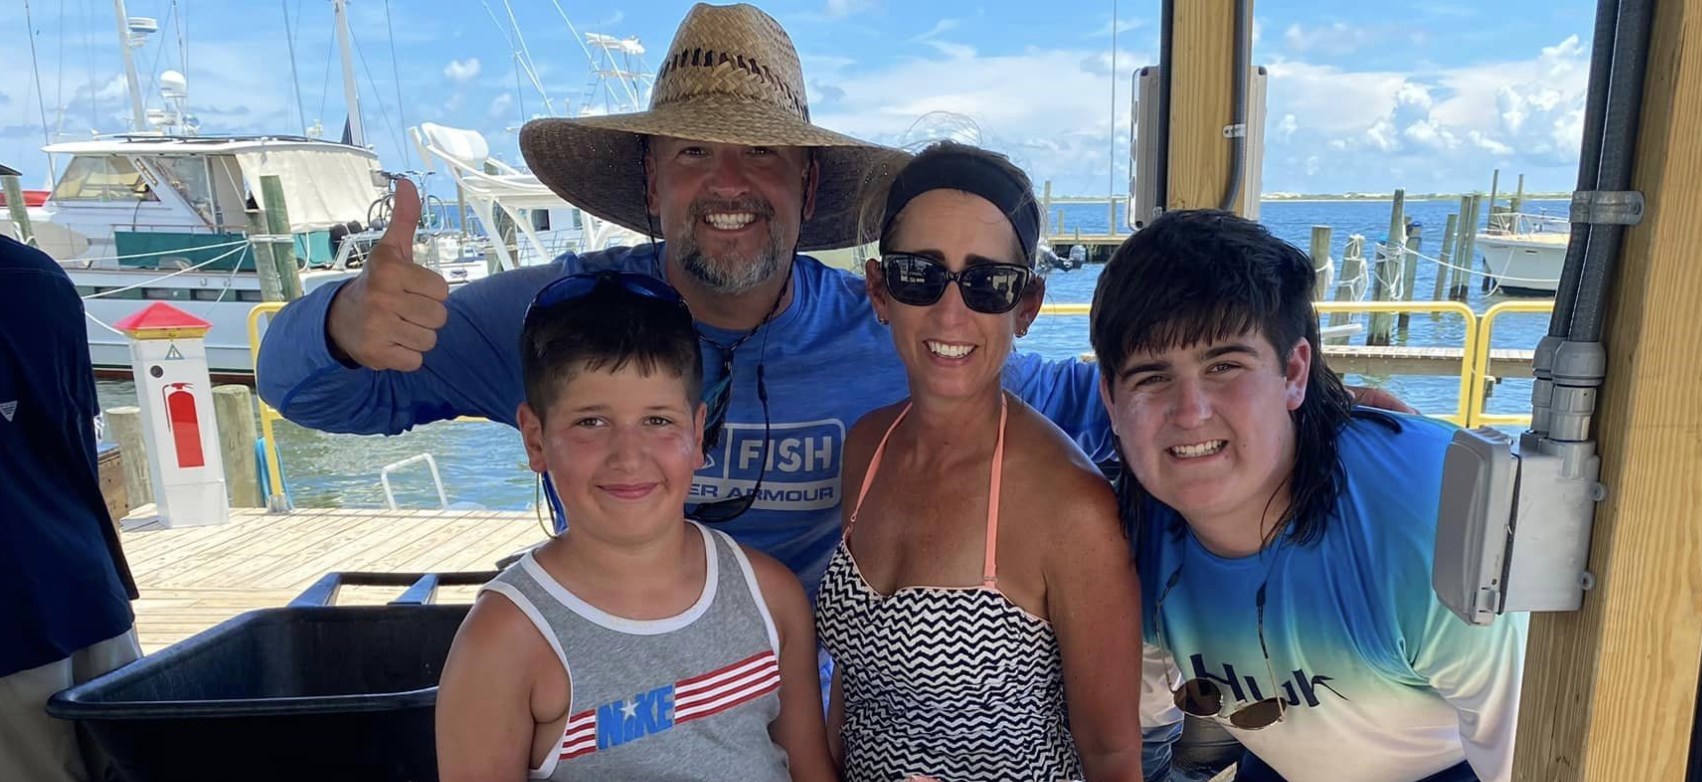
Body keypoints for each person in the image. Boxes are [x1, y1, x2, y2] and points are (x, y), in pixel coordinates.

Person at [254, 2, 1110, 597]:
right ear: (650, 179)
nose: (728, 183)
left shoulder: (889, 324)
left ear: (809, 187)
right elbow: (309, 394)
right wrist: (336, 324)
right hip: (616, 706)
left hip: (808, 729)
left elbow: (1087, 400)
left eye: (763, 156)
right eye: (694, 152)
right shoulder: (558, 315)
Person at [1090, 210, 1526, 782]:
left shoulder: (1429, 518)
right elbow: (1142, 721)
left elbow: (1529, 763)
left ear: (1294, 373)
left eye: (1225, 366)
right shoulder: (1123, 528)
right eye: (1152, 377)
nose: (1190, 412)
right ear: (1111, 400)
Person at [434, 273, 843, 782]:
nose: (628, 456)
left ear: (699, 435)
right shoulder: (503, 640)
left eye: (658, 420)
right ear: (536, 439)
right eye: (591, 421)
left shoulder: (770, 595)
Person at [816, 144, 1144, 782]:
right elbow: (852, 685)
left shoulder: (1070, 506)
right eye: (920, 275)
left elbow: (1112, 755)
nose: (950, 312)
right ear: (880, 291)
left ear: (1026, 306)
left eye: (986, 282)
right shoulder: (865, 448)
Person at [0, 232, 143, 782]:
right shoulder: (37, 274)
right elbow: (72, 416)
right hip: (83, 559)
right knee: (129, 765)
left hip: (12, 595)